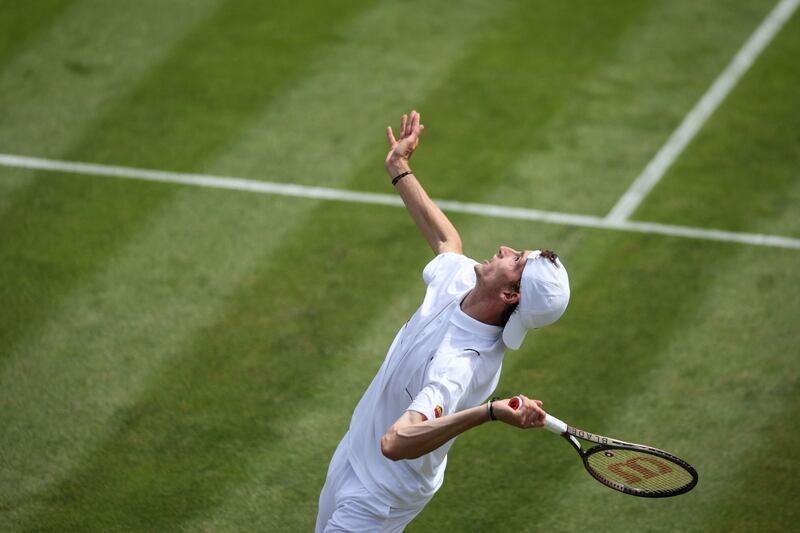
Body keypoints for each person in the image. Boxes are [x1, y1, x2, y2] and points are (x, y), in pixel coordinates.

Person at [315, 110, 570, 532]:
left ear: (510, 295)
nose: (505, 248)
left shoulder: (460, 364)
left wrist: (487, 412)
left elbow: (396, 442)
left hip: (380, 495)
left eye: (516, 260)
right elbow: (446, 242)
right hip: (352, 456)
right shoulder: (462, 282)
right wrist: (399, 167)